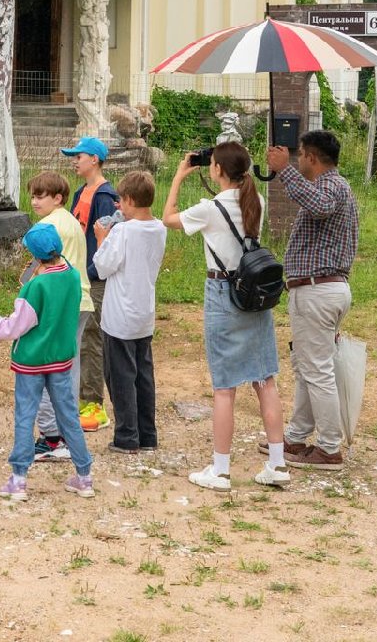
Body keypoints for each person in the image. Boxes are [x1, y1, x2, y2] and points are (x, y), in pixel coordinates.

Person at [163, 143, 290, 491]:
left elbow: (168, 218)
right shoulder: (257, 202)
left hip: (222, 294)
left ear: (217, 169)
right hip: (255, 295)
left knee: (224, 388)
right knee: (265, 380)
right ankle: (277, 463)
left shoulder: (210, 209)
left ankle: (220, 469)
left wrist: (179, 176)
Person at [0, 223, 97, 500]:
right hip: (60, 358)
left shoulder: (35, 286)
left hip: (31, 361)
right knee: (68, 415)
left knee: (25, 415)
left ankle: (18, 478)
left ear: (34, 255)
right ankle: (84, 475)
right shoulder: (72, 277)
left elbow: (18, 326)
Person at [266, 130, 359, 470]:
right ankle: (296, 435)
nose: (298, 159)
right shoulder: (331, 187)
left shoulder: (332, 187)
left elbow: (318, 206)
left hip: (318, 291)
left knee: (318, 371)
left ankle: (329, 448)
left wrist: (283, 170)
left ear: (312, 158)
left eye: (300, 155)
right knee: (308, 368)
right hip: (320, 290)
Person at [91, 171, 168, 454]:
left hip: (119, 314)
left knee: (120, 376)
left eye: (121, 201)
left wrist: (102, 238)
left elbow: (103, 266)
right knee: (143, 376)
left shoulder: (122, 231)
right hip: (144, 312)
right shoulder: (159, 228)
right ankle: (148, 434)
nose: (118, 207)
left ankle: (126, 435)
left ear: (131, 200)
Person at [24, 170, 88, 462]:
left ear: (58, 197)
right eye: (33, 196)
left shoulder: (48, 225)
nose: (35, 202)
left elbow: (37, 269)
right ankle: (64, 431)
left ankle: (52, 438)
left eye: (40, 196)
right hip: (80, 298)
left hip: (57, 303)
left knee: (47, 366)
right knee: (67, 368)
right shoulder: (71, 221)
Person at [58, 136, 117, 433]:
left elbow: (106, 239)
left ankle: (94, 404)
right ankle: (81, 399)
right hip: (77, 275)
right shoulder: (81, 192)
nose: (74, 160)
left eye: (78, 155)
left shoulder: (105, 195)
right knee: (79, 337)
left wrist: (91, 272)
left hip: (93, 277)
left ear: (94, 159)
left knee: (92, 338)